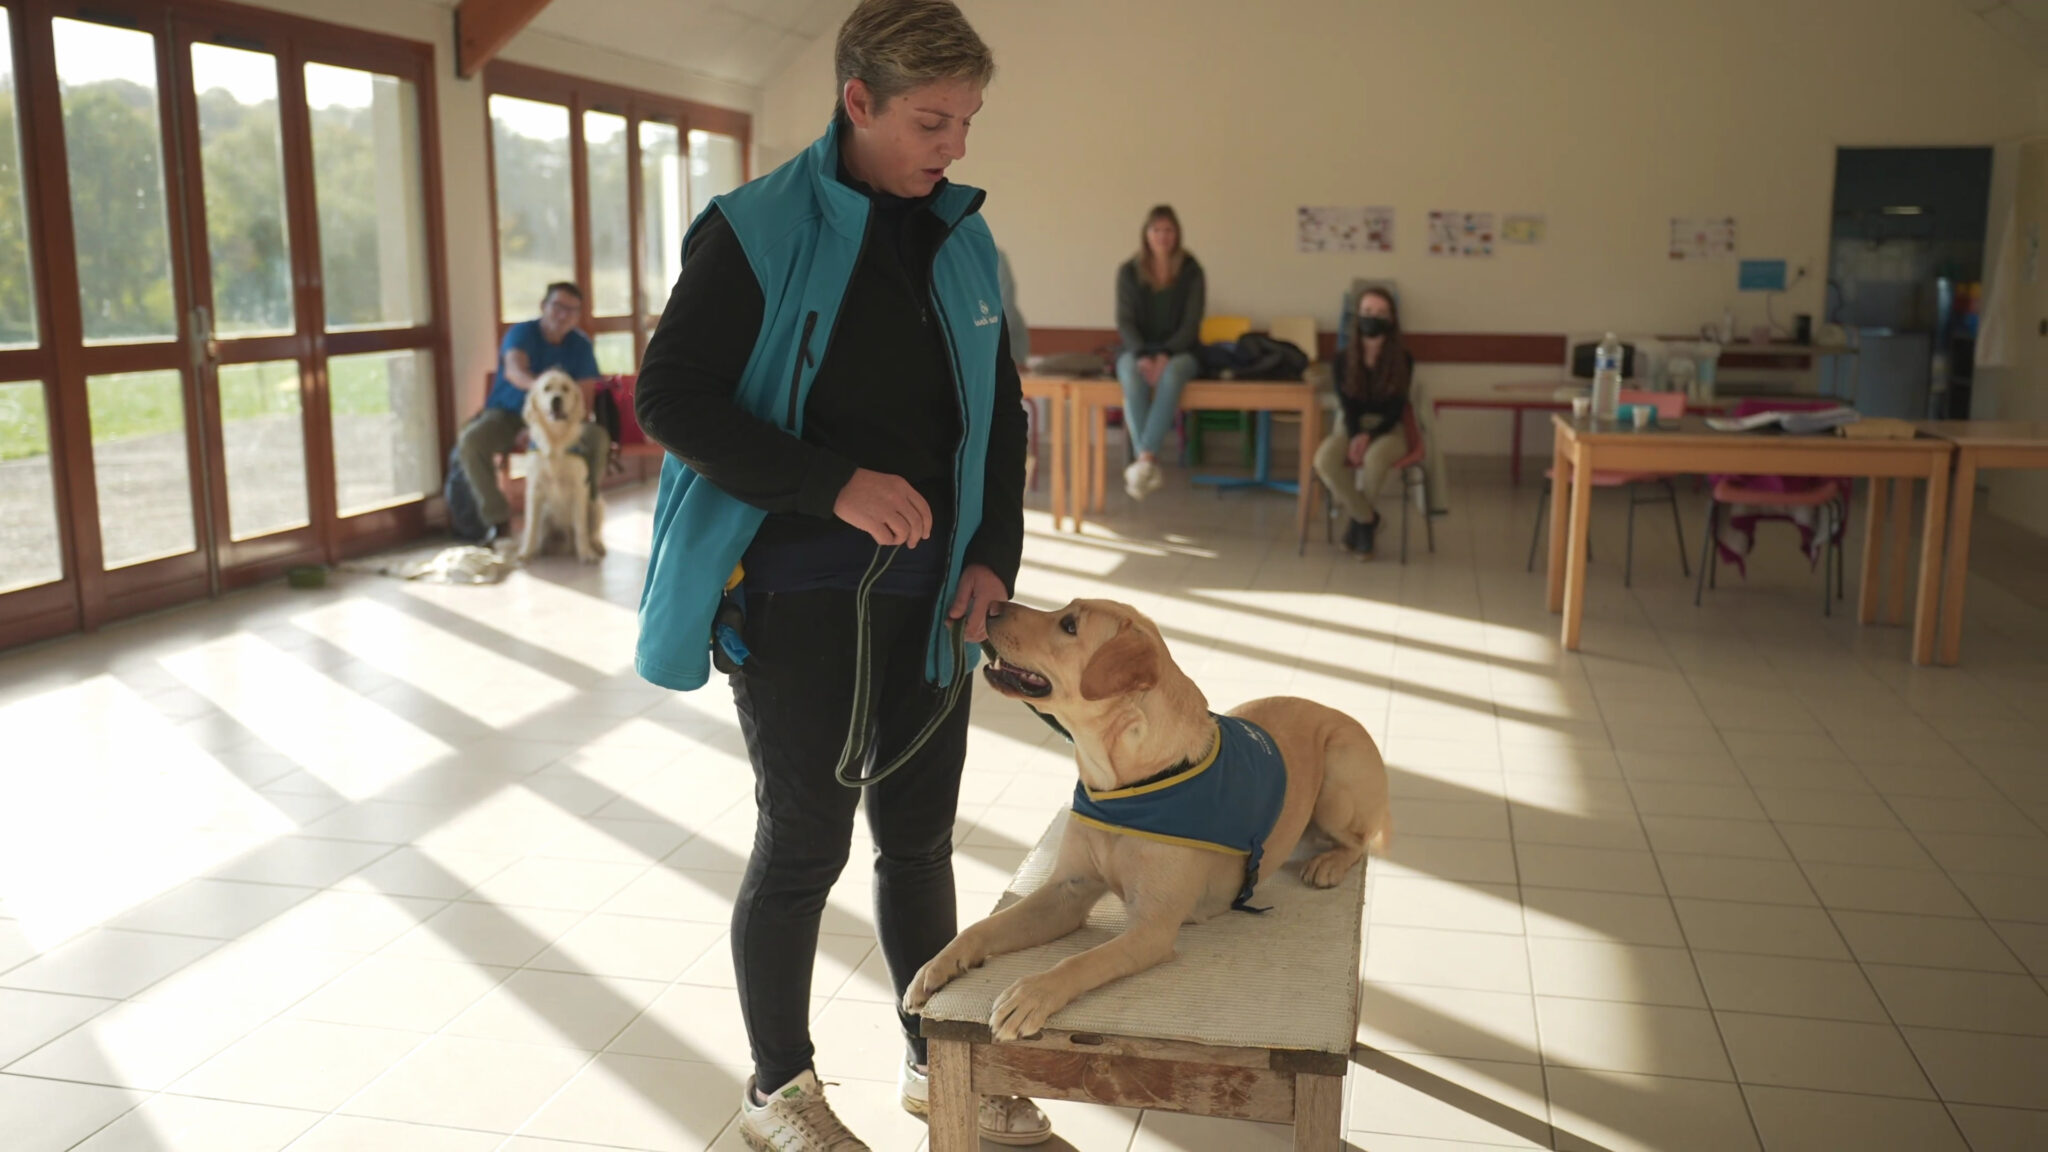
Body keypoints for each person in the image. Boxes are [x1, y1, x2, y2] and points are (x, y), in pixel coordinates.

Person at [631, 2, 1047, 1148]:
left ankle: (939, 1069)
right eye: (931, 120)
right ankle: (780, 1092)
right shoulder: (754, 229)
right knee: (804, 845)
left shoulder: (960, 237)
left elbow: (1000, 418)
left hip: (928, 607)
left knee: (918, 845)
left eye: (966, 120)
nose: (954, 145)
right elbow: (669, 399)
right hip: (794, 593)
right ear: (855, 101)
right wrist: (831, 485)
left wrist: (988, 557)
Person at [457, 282, 610, 539]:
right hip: (507, 415)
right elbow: (514, 371)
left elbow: (584, 399)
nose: (563, 315)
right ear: (543, 306)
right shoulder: (521, 333)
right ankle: (498, 520)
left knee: (597, 438)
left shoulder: (580, 345)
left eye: (572, 311)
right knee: (472, 441)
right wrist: (536, 417)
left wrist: (543, 429)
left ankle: (586, 510)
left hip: (559, 423)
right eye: (558, 307)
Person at [1113, 205, 1205, 500]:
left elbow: (1192, 323)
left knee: (1173, 373)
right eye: (1156, 230)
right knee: (1129, 371)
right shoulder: (1129, 271)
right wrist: (1142, 355)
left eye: (1168, 230)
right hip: (1138, 349)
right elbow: (1124, 320)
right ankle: (1147, 458)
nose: (1162, 237)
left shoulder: (1192, 270)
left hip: (1181, 352)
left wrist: (1165, 354)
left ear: (1177, 234)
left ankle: (1144, 457)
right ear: (1146, 235)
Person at [1313, 287, 1413, 557]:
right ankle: (1368, 520)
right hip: (1351, 425)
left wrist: (1369, 436)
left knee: (1375, 459)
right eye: (1368, 311)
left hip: (1388, 428)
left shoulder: (1403, 359)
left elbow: (1396, 407)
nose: (1373, 317)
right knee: (1324, 460)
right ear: (1357, 316)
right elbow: (1348, 405)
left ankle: (1357, 526)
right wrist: (1357, 434)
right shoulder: (1343, 359)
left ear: (1391, 319)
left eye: (1381, 312)